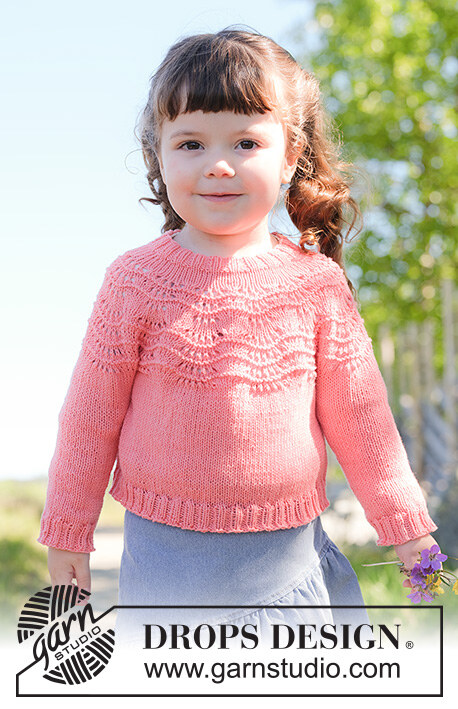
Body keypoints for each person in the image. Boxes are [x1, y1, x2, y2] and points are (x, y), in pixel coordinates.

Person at [37, 27, 438, 647]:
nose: (218, 164)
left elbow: (363, 422)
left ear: (290, 155)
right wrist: (68, 531)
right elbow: (90, 419)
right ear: (159, 155)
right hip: (166, 570)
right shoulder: (134, 282)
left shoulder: (315, 283)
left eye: (246, 142)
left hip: (289, 571)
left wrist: (406, 525)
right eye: (191, 143)